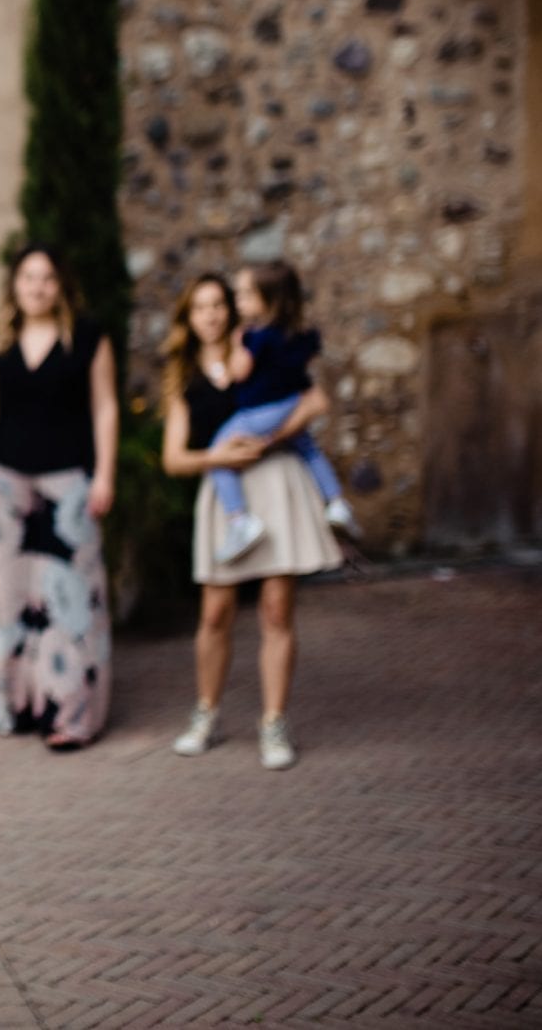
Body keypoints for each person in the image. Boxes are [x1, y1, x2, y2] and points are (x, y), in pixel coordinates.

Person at [160, 273, 340, 771]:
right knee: (215, 612)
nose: (212, 315)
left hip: (276, 483)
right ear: (188, 318)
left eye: (219, 304)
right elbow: (173, 458)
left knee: (277, 609)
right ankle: (206, 712)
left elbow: (316, 402)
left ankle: (274, 722)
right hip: (226, 491)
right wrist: (218, 457)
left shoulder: (264, 351)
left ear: (233, 311)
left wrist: (268, 439)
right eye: (200, 308)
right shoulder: (183, 374)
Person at [0, 245, 118, 751]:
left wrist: (104, 476)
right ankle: (16, 706)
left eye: (47, 278)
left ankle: (74, 714)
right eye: (29, 277)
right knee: (11, 598)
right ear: (16, 285)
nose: (37, 287)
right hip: (10, 479)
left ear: (61, 286)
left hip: (69, 483)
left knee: (73, 600)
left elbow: (105, 408)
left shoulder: (89, 337)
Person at [211, 261, 356, 563]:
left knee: (219, 452)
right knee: (309, 448)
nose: (238, 302)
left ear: (268, 299)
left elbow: (239, 373)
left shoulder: (255, 337)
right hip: (293, 401)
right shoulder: (299, 335)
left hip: (262, 408)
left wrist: (234, 351)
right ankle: (336, 502)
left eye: (245, 296)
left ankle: (239, 520)